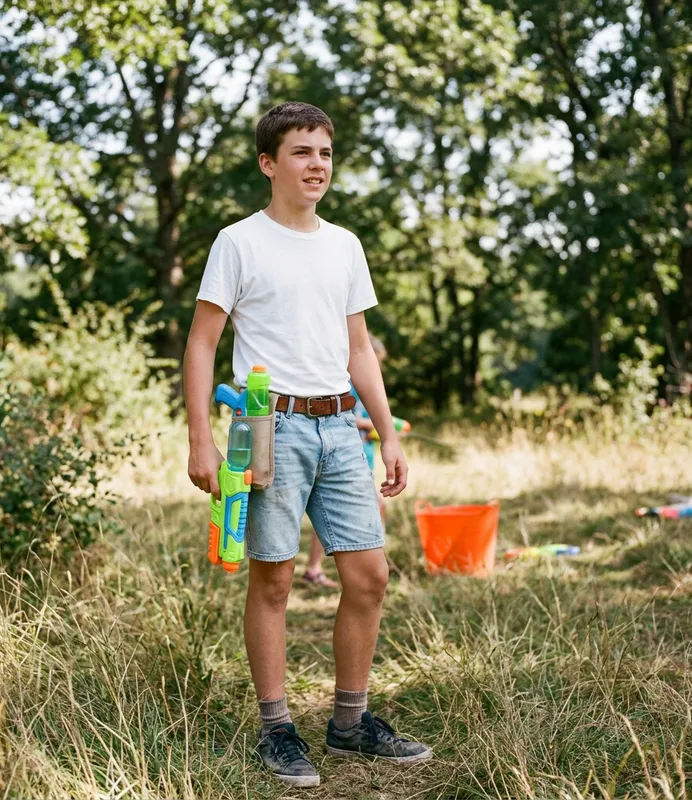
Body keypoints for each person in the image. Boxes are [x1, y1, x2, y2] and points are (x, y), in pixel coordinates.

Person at [184, 101, 431, 789]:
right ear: (269, 163)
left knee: (369, 575)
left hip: (338, 425)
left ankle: (350, 723)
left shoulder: (345, 245)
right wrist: (201, 436)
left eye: (324, 152)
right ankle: (277, 730)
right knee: (275, 579)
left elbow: (359, 349)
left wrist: (386, 433)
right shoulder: (239, 242)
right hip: (267, 427)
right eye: (301, 152)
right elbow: (201, 344)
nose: (317, 164)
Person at [302, 335, 388, 589]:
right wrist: (368, 425)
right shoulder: (342, 384)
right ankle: (315, 567)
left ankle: (376, 561)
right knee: (333, 513)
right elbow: (341, 416)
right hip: (339, 457)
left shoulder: (365, 387)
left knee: (377, 507)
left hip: (362, 457)